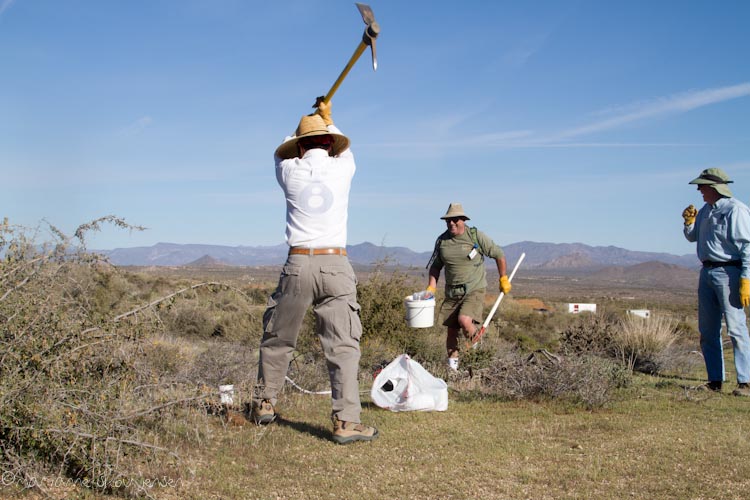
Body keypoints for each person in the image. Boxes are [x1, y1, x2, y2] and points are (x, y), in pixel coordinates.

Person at [251, 100, 378, 444]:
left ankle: (265, 403)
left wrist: (306, 123)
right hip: (335, 264)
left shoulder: (288, 171)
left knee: (278, 337)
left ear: (300, 145)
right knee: (343, 346)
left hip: (297, 262)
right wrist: (328, 118)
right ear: (328, 144)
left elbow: (280, 152)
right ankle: (346, 422)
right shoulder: (344, 168)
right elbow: (344, 146)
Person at [682, 167, 750, 397]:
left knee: (736, 327)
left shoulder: (736, 210)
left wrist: (745, 279)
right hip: (707, 272)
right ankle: (714, 380)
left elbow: (747, 247)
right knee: (708, 330)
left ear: (713, 187)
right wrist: (689, 222)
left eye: (702, 186)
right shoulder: (705, 211)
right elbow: (693, 237)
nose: (699, 190)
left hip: (729, 272)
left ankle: (745, 382)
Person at [424, 203, 511, 371]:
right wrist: (431, 288)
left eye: (455, 220)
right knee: (451, 331)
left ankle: (479, 354)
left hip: (474, 289)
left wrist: (503, 278)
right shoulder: (442, 241)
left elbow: (499, 254)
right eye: (448, 220)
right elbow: (435, 266)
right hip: (452, 292)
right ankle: (453, 370)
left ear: (463, 220)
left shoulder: (475, 236)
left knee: (464, 320)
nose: (451, 223)